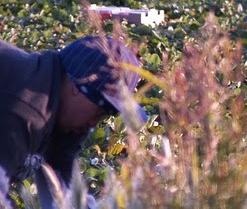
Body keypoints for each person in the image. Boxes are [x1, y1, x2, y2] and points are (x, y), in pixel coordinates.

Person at [1, 35, 147, 205]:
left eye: (107, 113)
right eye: (100, 109)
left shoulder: (63, 114)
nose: (94, 123)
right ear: (76, 87)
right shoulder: (22, 112)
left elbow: (64, 195)